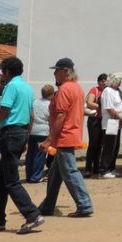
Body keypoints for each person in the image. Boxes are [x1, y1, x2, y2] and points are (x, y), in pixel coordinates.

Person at [0, 56, 44, 234]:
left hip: (11, 134)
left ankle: (32, 214)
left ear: (8, 72)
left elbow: (2, 112)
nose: (1, 75)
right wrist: (25, 139)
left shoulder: (11, 86)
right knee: (2, 180)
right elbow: (30, 115)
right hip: (20, 133)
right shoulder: (26, 87)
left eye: (2, 71)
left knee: (12, 181)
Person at [37, 57, 94, 217]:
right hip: (71, 134)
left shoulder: (64, 90)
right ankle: (47, 206)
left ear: (64, 71)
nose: (54, 73)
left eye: (56, 70)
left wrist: (49, 140)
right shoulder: (76, 88)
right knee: (55, 174)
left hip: (64, 136)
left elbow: (61, 116)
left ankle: (84, 205)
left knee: (69, 171)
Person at [25, 84, 54, 183]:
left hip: (32, 130)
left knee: (30, 154)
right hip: (43, 131)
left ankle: (29, 175)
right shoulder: (50, 105)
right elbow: (51, 119)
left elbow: (31, 115)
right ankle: (36, 176)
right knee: (40, 155)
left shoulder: (35, 102)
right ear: (51, 94)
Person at [98, 72, 122, 178]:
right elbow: (109, 108)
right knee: (109, 146)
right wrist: (120, 117)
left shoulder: (115, 91)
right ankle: (104, 169)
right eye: (118, 81)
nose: (120, 83)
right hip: (110, 123)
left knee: (115, 146)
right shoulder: (108, 91)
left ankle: (111, 168)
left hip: (116, 123)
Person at [83, 73, 106, 177]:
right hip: (94, 120)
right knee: (93, 144)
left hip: (103, 120)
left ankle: (97, 167)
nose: (104, 82)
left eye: (105, 80)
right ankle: (88, 168)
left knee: (100, 144)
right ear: (99, 82)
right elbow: (89, 102)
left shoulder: (107, 91)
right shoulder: (94, 90)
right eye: (102, 80)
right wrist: (101, 105)